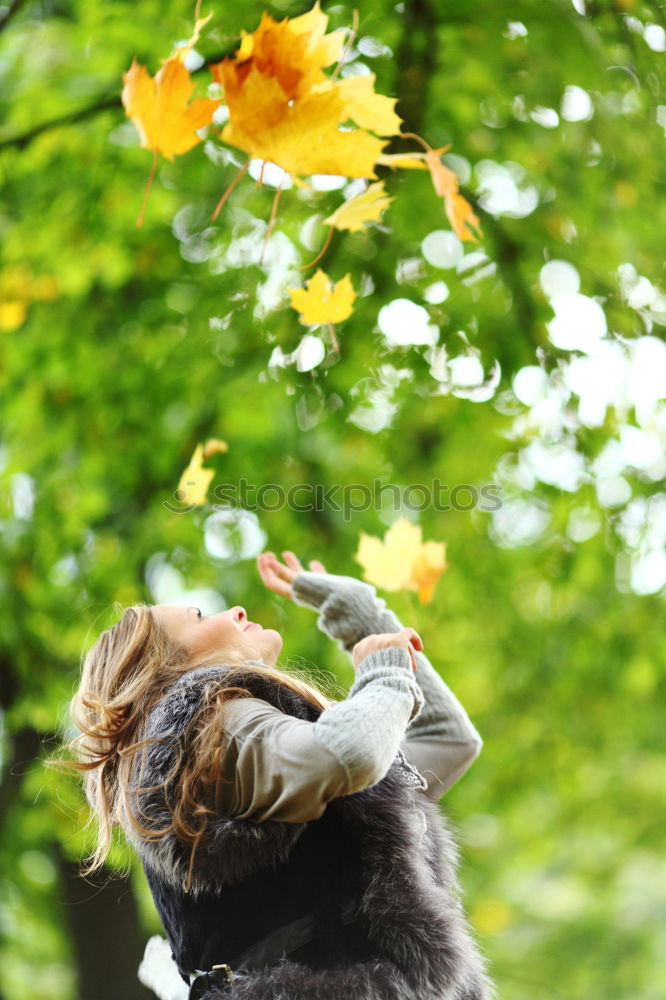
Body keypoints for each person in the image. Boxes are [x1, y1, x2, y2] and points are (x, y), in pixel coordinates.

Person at [66, 550, 493, 999]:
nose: (237, 610)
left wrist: (361, 616)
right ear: (167, 665)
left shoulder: (238, 742)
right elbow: (350, 751)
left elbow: (447, 739)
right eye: (200, 614)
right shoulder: (208, 721)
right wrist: (383, 673)